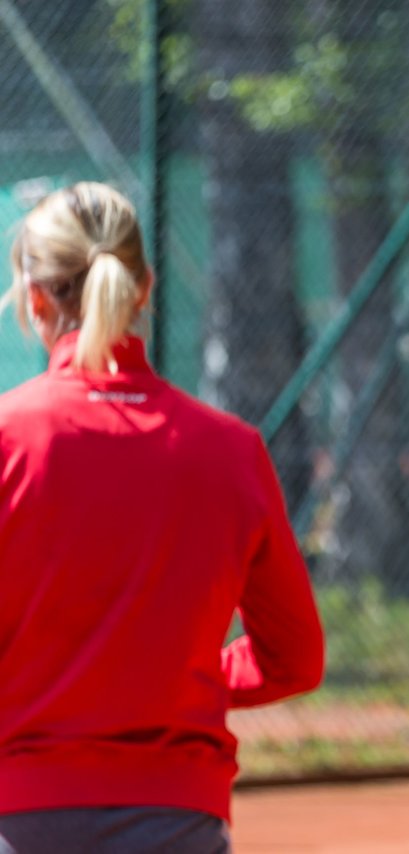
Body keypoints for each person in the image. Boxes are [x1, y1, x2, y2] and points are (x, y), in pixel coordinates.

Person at [0, 182, 325, 853]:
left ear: (34, 298)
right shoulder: (231, 451)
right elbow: (294, 658)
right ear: (143, 287)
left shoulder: (8, 437)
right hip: (179, 817)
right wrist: (184, 677)